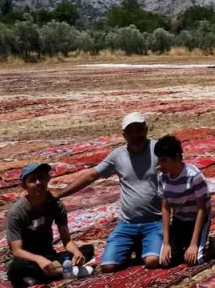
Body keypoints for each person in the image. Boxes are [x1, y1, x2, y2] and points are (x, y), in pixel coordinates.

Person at [56, 112, 162, 271]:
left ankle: (144, 245)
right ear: (124, 135)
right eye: (131, 131)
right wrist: (60, 194)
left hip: (154, 221)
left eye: (139, 130)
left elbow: (178, 170)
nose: (136, 135)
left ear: (146, 129)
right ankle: (135, 244)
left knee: (152, 261)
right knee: (108, 266)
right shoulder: (118, 155)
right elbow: (92, 175)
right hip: (127, 223)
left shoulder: (158, 149)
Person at [6, 163, 94, 287]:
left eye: (41, 178)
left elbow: (66, 239)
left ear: (48, 179)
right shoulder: (17, 212)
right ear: (24, 186)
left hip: (49, 255)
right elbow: (17, 250)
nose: (38, 183)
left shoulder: (56, 205)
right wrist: (39, 259)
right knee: (18, 270)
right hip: (27, 259)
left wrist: (76, 253)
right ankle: (63, 271)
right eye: (32, 180)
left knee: (87, 250)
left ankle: (50, 272)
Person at [155, 135, 215, 268]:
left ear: (176, 157)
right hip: (180, 219)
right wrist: (166, 243)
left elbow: (202, 209)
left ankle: (211, 247)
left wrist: (194, 244)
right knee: (165, 260)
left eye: (163, 160)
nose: (160, 165)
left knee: (195, 259)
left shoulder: (193, 176)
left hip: (197, 219)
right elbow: (165, 208)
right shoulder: (162, 177)